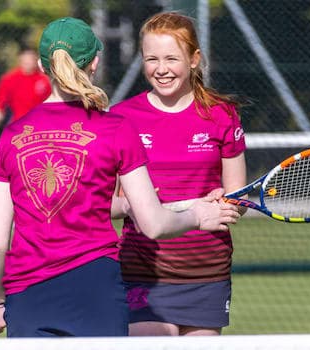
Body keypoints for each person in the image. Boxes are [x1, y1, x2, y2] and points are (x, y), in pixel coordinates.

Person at [0, 17, 240, 338]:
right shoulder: (117, 127)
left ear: (41, 66)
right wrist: (198, 215)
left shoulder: (11, 136)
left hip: (28, 294)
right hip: (99, 288)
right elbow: (154, 224)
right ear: (94, 63)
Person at [109, 12, 248, 336]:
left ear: (194, 59)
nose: (161, 69)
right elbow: (105, 204)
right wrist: (132, 207)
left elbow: (238, 198)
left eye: (171, 58)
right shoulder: (121, 117)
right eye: (151, 59)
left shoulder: (222, 114)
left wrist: (225, 202)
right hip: (143, 271)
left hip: (206, 271)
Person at [0, 47, 52, 138]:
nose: (28, 62)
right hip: (19, 129)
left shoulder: (45, 81)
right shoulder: (9, 80)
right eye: (26, 59)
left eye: (31, 58)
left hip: (43, 128)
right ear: (20, 59)